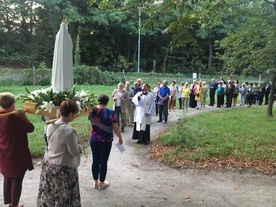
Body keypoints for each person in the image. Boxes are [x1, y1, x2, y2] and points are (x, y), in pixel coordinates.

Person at [37, 100, 82, 206]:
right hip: (63, 168)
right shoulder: (69, 131)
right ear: (71, 114)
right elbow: (74, 151)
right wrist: (80, 146)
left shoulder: (50, 125)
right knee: (64, 195)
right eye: (74, 114)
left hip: (49, 164)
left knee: (51, 193)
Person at [0, 92, 35, 207]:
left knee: (7, 177)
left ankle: (9, 203)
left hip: (3, 152)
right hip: (17, 154)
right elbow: (30, 128)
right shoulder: (15, 118)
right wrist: (23, 115)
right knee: (17, 180)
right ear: (13, 104)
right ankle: (14, 204)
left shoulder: (1, 116)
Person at [88, 94, 123, 190]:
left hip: (94, 139)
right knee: (103, 161)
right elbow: (115, 127)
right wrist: (120, 138)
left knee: (95, 160)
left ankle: (95, 182)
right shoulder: (111, 113)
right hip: (106, 140)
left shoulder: (92, 112)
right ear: (107, 102)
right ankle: (102, 182)